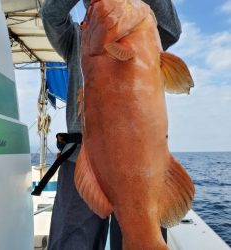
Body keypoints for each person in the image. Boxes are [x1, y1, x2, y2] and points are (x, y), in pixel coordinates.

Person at [41, 0, 181, 249]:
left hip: (142, 165)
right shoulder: (76, 36)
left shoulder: (144, 29)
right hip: (81, 163)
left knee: (142, 232)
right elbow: (51, 13)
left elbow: (171, 29)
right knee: (72, 243)